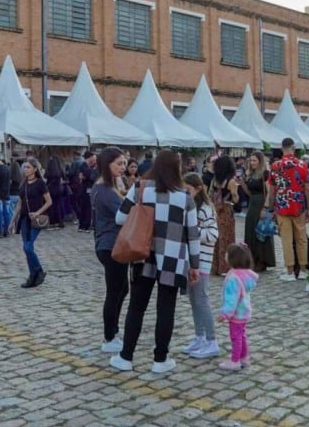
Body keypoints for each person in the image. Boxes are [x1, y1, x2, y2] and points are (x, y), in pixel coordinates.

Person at [110, 150, 200, 375]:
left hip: (143, 255)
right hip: (173, 259)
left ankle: (126, 356)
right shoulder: (185, 196)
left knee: (137, 307)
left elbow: (120, 217)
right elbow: (193, 233)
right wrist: (195, 265)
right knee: (166, 309)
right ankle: (160, 359)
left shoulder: (141, 188)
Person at [92, 147, 128, 354]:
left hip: (112, 244)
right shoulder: (105, 190)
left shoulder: (107, 186)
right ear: (107, 165)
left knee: (122, 289)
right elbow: (125, 213)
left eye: (124, 163)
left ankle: (113, 329)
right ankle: (109, 337)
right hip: (111, 245)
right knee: (114, 292)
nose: (122, 167)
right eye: (119, 164)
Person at [182, 172, 220, 360]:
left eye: (187, 190)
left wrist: (193, 231)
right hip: (189, 260)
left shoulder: (205, 208)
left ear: (197, 189)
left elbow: (213, 234)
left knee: (201, 300)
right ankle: (199, 336)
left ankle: (212, 340)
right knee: (194, 300)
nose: (185, 193)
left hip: (202, 261)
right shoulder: (188, 206)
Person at [267, 138, 309, 282]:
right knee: (301, 239)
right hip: (298, 205)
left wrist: (271, 208)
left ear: (282, 149)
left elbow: (272, 190)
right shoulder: (302, 164)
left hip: (282, 206)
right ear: (293, 148)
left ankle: (289, 271)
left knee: (286, 240)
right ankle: (303, 270)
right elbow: (307, 189)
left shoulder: (275, 166)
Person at [9, 157, 51, 288]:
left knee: (28, 247)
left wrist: (38, 212)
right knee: (27, 249)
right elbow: (20, 204)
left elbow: (49, 201)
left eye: (28, 167)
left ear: (34, 169)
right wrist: (12, 221)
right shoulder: (23, 184)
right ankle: (32, 276)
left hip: (35, 220)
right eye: (24, 167)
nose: (25, 169)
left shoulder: (40, 183)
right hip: (24, 219)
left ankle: (38, 271)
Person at [217, 243, 258, 371]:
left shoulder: (233, 278)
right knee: (242, 335)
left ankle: (235, 361)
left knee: (236, 337)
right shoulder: (246, 275)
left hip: (236, 313)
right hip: (244, 311)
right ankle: (244, 358)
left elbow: (231, 299)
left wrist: (225, 314)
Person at [238, 151, 275, 272]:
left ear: (260, 161)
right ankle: (252, 259)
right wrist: (242, 183)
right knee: (251, 231)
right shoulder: (251, 174)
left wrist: (265, 208)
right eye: (251, 160)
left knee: (261, 232)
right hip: (252, 204)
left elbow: (269, 192)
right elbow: (249, 193)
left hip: (261, 204)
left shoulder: (265, 173)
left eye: (254, 160)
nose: (252, 163)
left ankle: (262, 260)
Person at [209, 155, 239, 276]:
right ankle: (225, 267)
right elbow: (235, 199)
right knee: (227, 239)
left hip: (216, 209)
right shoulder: (231, 181)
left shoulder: (215, 180)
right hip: (226, 210)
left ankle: (216, 266)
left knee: (217, 239)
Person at [76, 151, 97, 232]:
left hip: (87, 188)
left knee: (86, 207)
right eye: (94, 157)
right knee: (86, 207)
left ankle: (83, 225)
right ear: (90, 157)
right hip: (85, 189)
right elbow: (91, 176)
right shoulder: (84, 165)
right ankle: (85, 225)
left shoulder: (88, 166)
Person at [44, 155, 66, 228]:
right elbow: (64, 177)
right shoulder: (60, 169)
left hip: (51, 189)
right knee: (59, 205)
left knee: (51, 205)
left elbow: (45, 177)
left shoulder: (49, 169)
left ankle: (53, 222)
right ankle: (60, 221)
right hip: (59, 189)